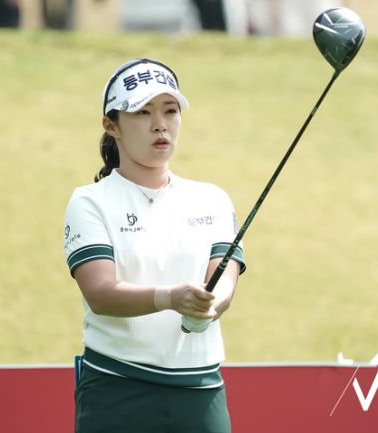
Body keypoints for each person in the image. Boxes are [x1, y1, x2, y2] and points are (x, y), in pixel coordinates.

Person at [63, 58, 246, 433]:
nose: (160, 124)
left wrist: (210, 304)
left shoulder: (211, 199)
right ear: (111, 125)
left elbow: (224, 279)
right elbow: (100, 293)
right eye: (143, 112)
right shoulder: (90, 201)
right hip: (116, 388)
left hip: (200, 390)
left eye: (170, 110)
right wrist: (171, 297)